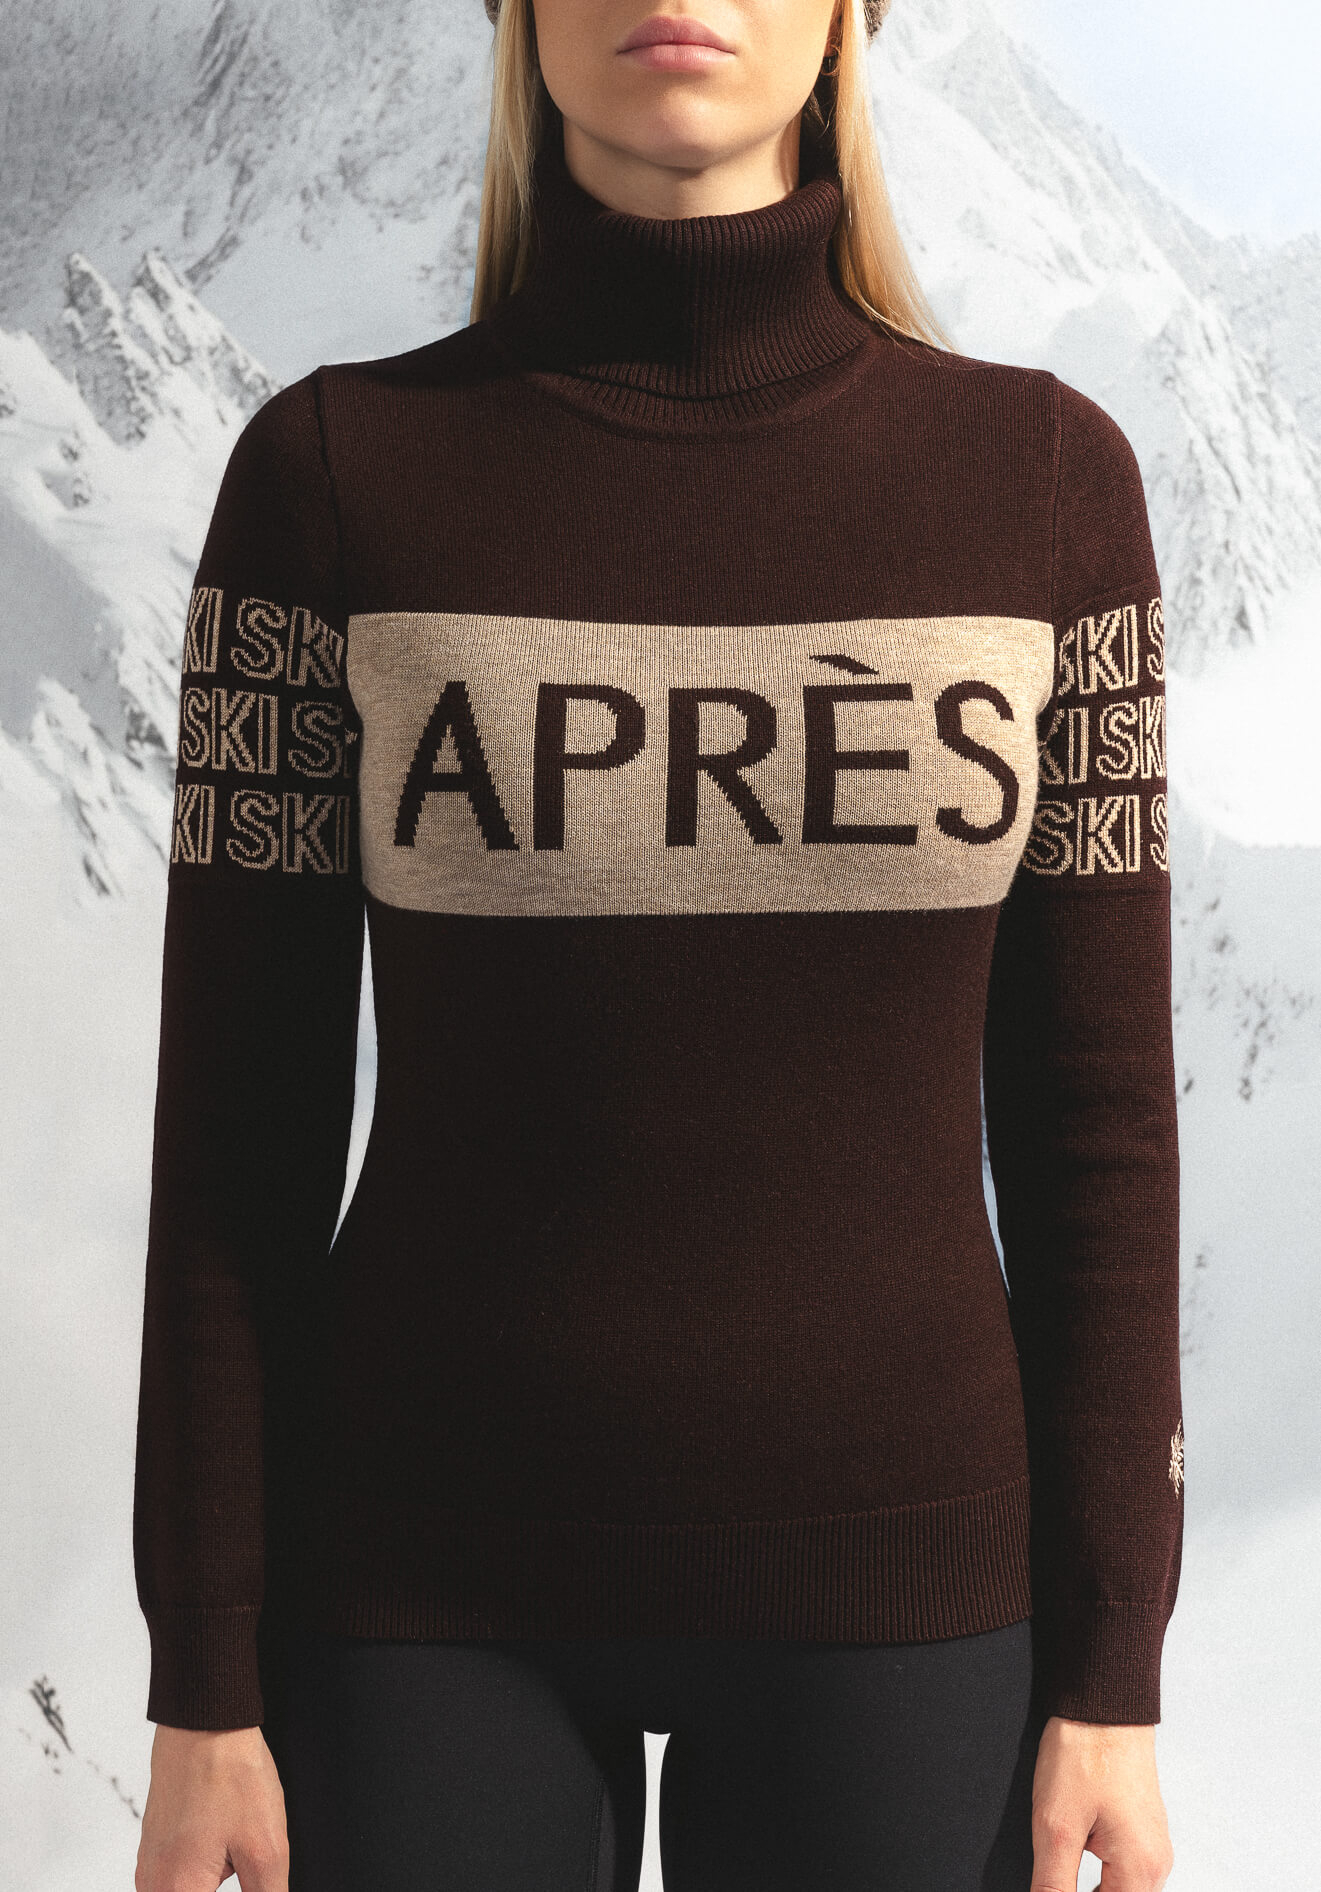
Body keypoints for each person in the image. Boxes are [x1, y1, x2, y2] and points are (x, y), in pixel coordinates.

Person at [131, 0, 1185, 1885]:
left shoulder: (1042, 483)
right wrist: (202, 1676)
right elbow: (238, 1134)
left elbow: (1094, 1128)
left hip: (911, 1598)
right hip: (415, 1594)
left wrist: (1115, 1664)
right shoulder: (329, 476)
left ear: (853, 14)